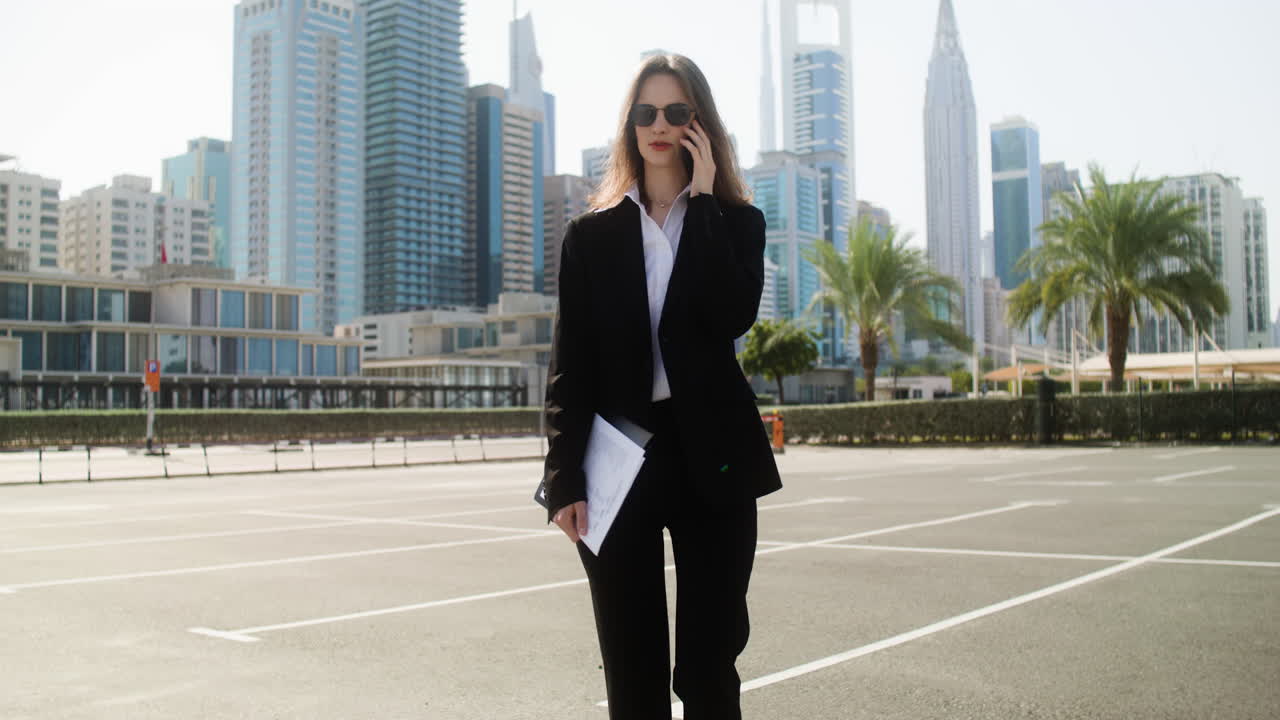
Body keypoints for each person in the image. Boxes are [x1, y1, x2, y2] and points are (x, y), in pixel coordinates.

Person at [539, 53, 782, 720]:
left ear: (698, 123)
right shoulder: (591, 237)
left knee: (708, 666)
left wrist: (702, 200)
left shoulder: (736, 223)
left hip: (714, 457)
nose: (659, 125)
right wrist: (563, 479)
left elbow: (730, 315)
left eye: (676, 112)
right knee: (632, 670)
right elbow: (571, 365)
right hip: (619, 460)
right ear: (630, 125)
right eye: (646, 112)